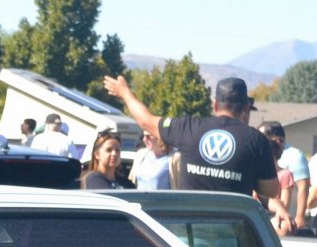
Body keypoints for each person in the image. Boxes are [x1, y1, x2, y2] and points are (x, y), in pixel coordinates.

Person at [103, 73, 294, 229]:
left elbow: (146, 120)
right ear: (245, 108)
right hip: (232, 234)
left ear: (215, 105)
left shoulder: (188, 127)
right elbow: (270, 190)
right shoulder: (256, 140)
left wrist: (125, 92)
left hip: (190, 231)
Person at [260, 121, 311, 232]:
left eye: (262, 136)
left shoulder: (295, 156)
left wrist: (300, 216)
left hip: (284, 214)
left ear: (275, 138)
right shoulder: (259, 153)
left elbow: (303, 187)